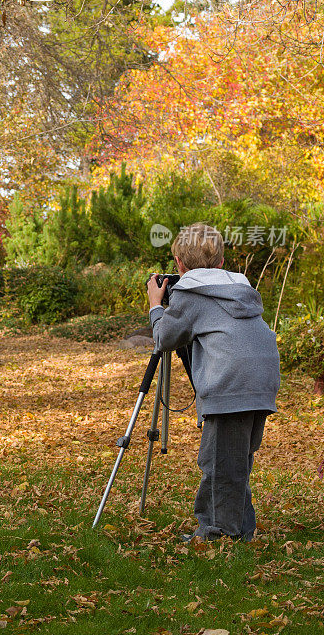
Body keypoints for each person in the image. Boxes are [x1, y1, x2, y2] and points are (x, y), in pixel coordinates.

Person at [146, 222, 280, 542]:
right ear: (221, 262)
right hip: (261, 382)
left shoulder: (191, 292)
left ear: (179, 264)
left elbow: (165, 338)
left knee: (218, 464)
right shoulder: (241, 288)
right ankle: (241, 530)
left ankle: (216, 535)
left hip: (230, 384)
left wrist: (155, 305)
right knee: (235, 463)